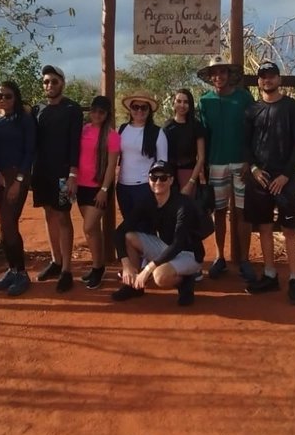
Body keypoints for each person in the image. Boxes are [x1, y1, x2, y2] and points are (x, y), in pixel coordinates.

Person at [243, 61, 295, 304]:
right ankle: (269, 274)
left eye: (271, 76)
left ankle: (294, 278)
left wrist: (286, 175)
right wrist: (255, 169)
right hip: (260, 177)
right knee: (265, 227)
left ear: (279, 79)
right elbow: (246, 144)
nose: (267, 80)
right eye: (263, 76)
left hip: (285, 178)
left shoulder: (292, 107)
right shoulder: (252, 110)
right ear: (258, 81)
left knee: (290, 229)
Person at [196, 55, 256, 282]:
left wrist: (250, 160)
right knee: (219, 212)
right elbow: (203, 136)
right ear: (210, 78)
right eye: (214, 74)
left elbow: (254, 131)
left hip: (241, 162)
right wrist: (203, 166)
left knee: (242, 212)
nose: (218, 77)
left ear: (229, 75)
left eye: (222, 72)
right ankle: (220, 257)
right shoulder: (205, 101)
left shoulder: (244, 98)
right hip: (216, 163)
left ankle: (245, 260)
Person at [112, 159, 204, 306]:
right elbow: (119, 231)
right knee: (128, 237)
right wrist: (126, 264)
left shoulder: (182, 205)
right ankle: (134, 287)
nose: (158, 181)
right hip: (165, 246)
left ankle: (185, 281)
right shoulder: (148, 201)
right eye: (154, 177)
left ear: (171, 180)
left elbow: (178, 244)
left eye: (163, 178)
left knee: (159, 276)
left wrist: (147, 269)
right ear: (148, 180)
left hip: (189, 254)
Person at [31, 65, 83, 293]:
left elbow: (75, 144)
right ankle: (56, 261)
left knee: (63, 216)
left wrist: (73, 174)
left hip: (63, 174)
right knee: (48, 213)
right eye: (46, 82)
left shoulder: (72, 109)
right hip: (41, 173)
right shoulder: (37, 109)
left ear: (62, 82)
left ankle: (67, 270)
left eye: (53, 81)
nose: (49, 85)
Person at [0, 79, 37, 296]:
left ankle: (22, 274)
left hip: (16, 176)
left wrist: (18, 180)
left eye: (7, 95)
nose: (3, 99)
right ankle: (12, 270)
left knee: (9, 223)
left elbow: (30, 151)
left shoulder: (24, 120)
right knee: (3, 226)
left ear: (15, 97)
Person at [76, 94, 120, 289]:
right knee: (92, 230)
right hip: (81, 186)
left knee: (88, 226)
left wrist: (104, 189)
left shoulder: (112, 136)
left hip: (99, 188)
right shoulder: (83, 130)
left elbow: (112, 165)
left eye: (101, 112)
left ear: (107, 114)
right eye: (94, 110)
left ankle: (97, 267)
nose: (96, 114)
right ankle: (98, 267)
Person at [116, 91, 168, 221]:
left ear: (149, 111)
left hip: (145, 187)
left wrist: (159, 190)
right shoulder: (122, 129)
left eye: (144, 107)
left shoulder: (157, 132)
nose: (139, 111)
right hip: (123, 187)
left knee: (145, 229)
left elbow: (163, 163)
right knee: (129, 226)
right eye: (135, 107)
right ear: (130, 109)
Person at [162, 87, 206, 194]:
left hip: (189, 174)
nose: (182, 105)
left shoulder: (196, 126)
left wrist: (191, 182)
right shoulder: (166, 127)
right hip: (169, 175)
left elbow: (201, 158)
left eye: (186, 102)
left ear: (190, 105)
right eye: (179, 101)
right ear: (174, 103)